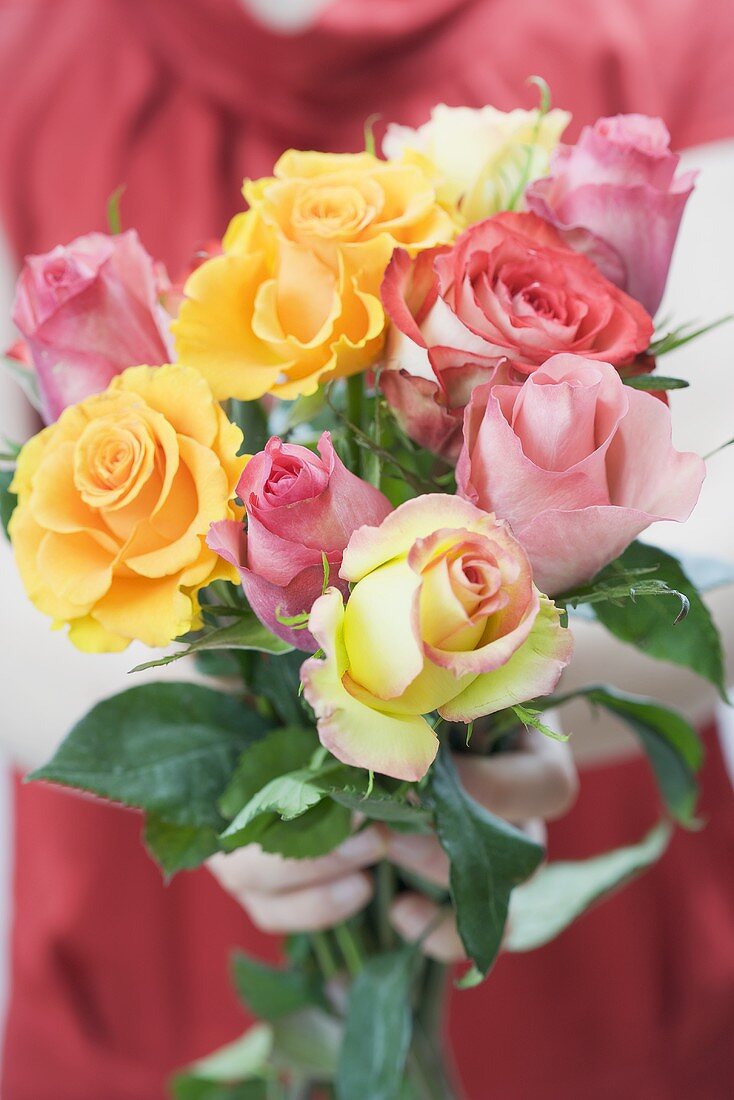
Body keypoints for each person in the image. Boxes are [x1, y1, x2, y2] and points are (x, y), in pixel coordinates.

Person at [0, 1, 733, 1097]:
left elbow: (709, 550)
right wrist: (258, 780)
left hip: (588, 994)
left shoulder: (665, 30)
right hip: (146, 971)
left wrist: (499, 701)